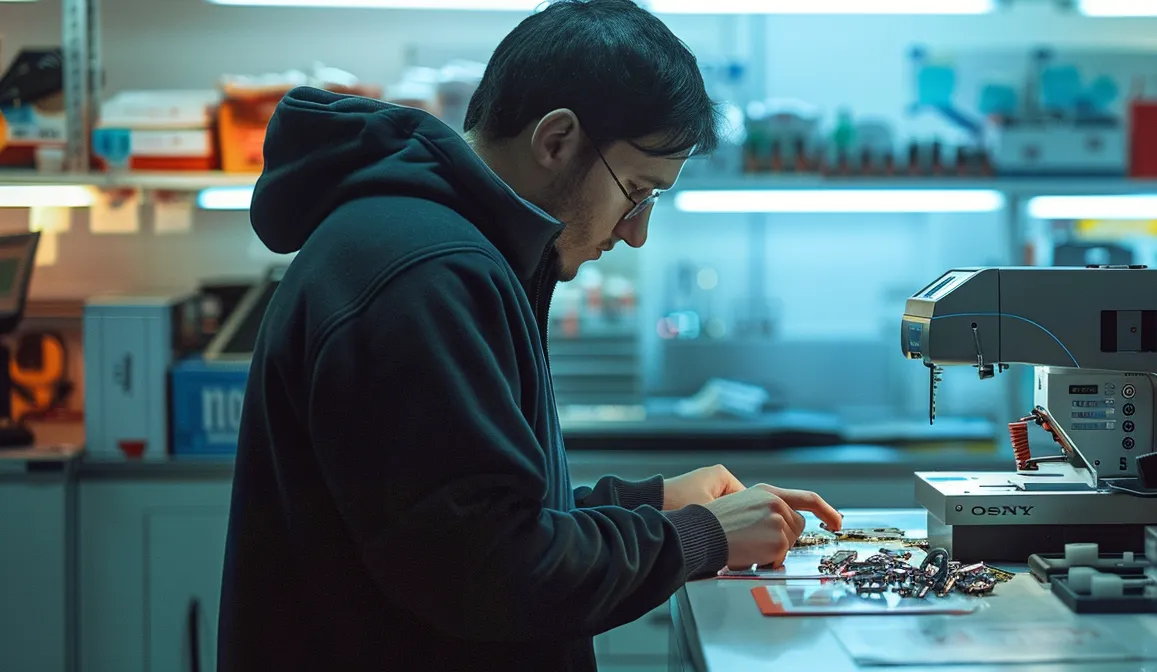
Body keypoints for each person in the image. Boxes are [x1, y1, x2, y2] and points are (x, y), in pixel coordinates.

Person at [218, 1, 842, 670]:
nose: (637, 231)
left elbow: (462, 512)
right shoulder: (426, 275)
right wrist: (698, 537)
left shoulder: (438, 246)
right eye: (636, 191)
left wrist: (650, 503)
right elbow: (490, 573)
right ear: (556, 140)